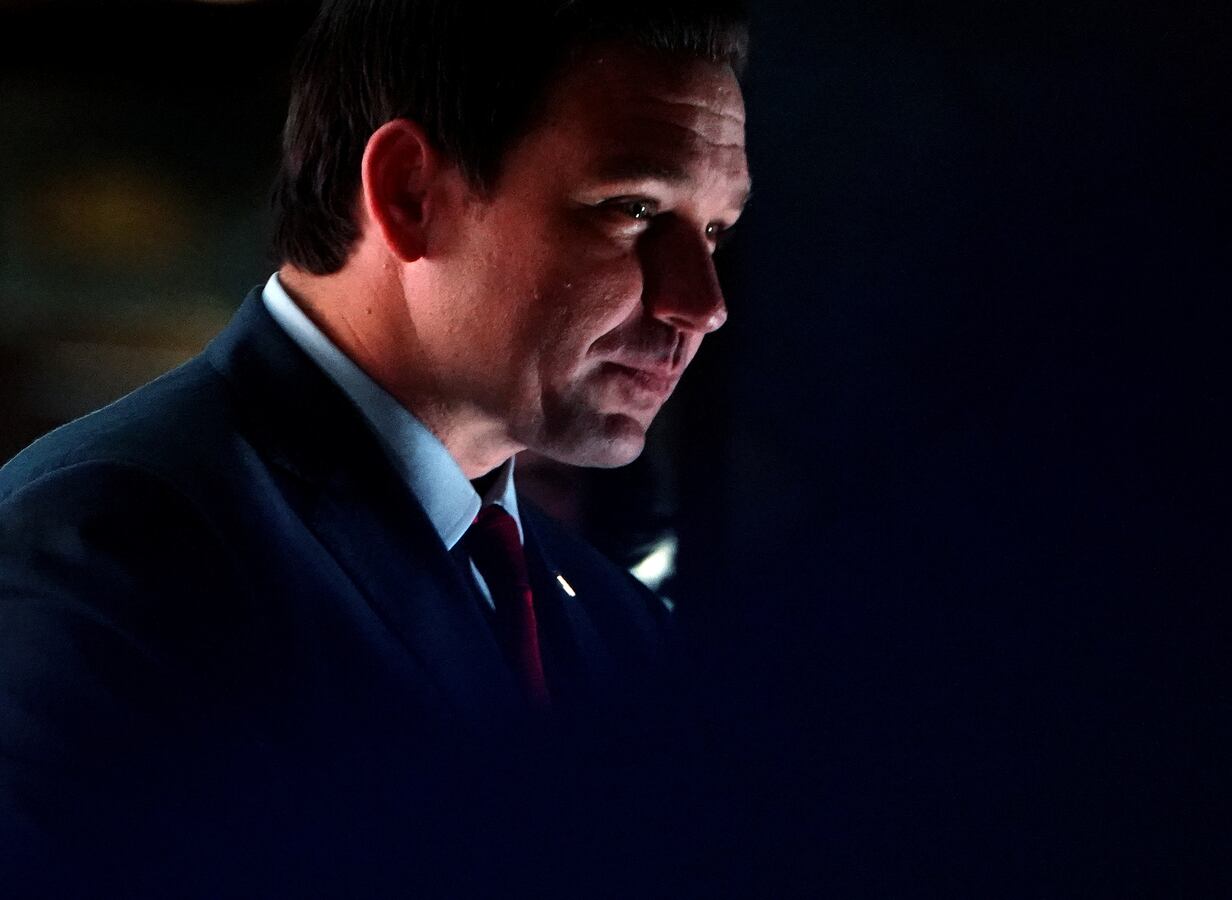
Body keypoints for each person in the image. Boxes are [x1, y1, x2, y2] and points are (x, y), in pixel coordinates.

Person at [0, 0, 750, 895]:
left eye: (713, 231)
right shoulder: (108, 550)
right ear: (408, 193)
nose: (701, 302)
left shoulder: (618, 626)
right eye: (631, 209)